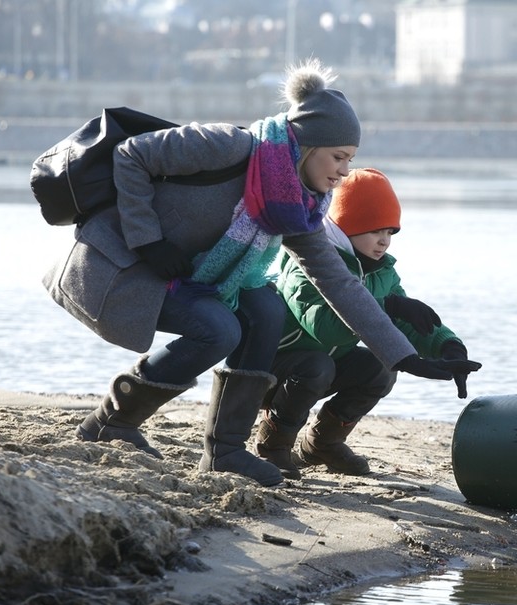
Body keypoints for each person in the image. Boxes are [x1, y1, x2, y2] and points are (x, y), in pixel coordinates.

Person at [43, 59, 480, 487]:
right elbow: (131, 154)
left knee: (266, 311)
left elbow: (341, 286)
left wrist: (405, 357)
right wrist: (149, 240)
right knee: (220, 331)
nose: (345, 171)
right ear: (310, 146)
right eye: (339, 157)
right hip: (127, 262)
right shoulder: (231, 147)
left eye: (351, 159)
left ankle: (225, 451)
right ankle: (111, 422)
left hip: (197, 274)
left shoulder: (298, 209)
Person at [254, 168, 473, 479]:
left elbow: (404, 325)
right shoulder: (305, 262)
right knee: (317, 366)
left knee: (381, 368)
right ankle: (273, 446)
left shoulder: (381, 271)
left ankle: (322, 444)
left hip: (323, 364)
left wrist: (448, 347)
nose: (384, 241)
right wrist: (386, 305)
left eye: (390, 232)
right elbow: (327, 326)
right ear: (345, 225)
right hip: (270, 370)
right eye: (375, 230)